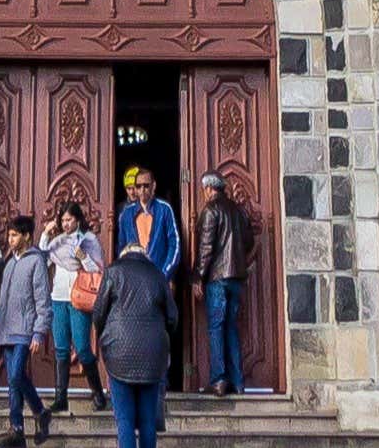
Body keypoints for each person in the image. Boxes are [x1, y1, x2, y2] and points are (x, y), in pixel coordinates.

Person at [96, 251, 178, 448]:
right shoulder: (157, 274)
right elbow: (172, 317)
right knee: (148, 422)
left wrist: (105, 337)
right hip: (152, 355)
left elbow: (99, 313)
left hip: (119, 352)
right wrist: (162, 338)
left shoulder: (113, 272)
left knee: (124, 421)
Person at [194, 172, 262, 394]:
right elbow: (249, 240)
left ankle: (219, 379)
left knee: (216, 327)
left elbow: (206, 249)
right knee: (231, 327)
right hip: (237, 278)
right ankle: (238, 381)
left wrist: (197, 278)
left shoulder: (211, 211)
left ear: (208, 189)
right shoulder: (238, 211)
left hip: (218, 278)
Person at [0, 215, 58, 443]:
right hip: (6, 330)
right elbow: (3, 300)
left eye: (14, 235)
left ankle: (38, 411)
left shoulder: (36, 262)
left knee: (15, 376)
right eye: (9, 234)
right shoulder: (10, 263)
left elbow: (43, 299)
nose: (10, 239)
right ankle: (19, 427)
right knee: (15, 378)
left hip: (25, 329)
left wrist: (38, 331)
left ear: (25, 236)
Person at [45, 203, 109, 410]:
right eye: (63, 220)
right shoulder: (58, 241)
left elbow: (97, 269)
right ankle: (60, 397)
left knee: (82, 347)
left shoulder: (88, 240)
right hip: (59, 297)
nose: (65, 224)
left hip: (79, 297)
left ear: (78, 220)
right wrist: (46, 234)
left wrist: (82, 256)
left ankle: (98, 393)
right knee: (61, 348)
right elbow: (43, 257)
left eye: (69, 220)